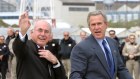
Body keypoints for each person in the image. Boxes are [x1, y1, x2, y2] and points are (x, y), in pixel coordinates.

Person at [70, 11, 132, 79]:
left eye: (99, 23)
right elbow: (76, 76)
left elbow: (121, 69)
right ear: (89, 27)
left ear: (106, 25)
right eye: (93, 24)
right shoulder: (80, 48)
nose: (96, 27)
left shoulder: (113, 43)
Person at [13, 12, 66, 79]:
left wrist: (56, 62)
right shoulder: (26, 48)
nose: (43, 34)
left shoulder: (51, 51)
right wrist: (23, 31)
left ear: (50, 36)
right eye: (40, 30)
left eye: (46, 31)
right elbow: (18, 47)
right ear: (32, 32)